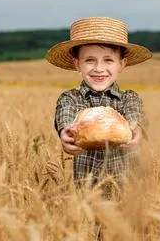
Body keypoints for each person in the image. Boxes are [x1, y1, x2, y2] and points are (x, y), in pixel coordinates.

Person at [46, 17, 152, 195]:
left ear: (121, 64)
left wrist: (136, 129)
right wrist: (66, 132)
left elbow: (136, 114)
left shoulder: (128, 99)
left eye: (108, 60)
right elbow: (66, 113)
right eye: (90, 60)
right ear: (77, 63)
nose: (99, 68)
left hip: (127, 195)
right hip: (88, 196)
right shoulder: (72, 98)